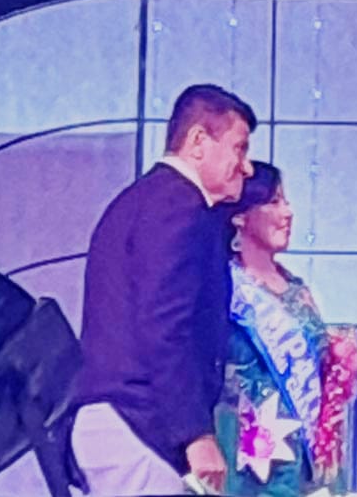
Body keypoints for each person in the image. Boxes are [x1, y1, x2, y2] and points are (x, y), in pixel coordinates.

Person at [73, 84, 256, 496]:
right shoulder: (177, 206)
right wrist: (195, 433)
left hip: (122, 422)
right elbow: (164, 327)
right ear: (198, 141)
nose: (246, 167)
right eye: (239, 148)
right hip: (138, 423)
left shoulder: (147, 200)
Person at [216, 162, 357, 495]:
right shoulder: (226, 288)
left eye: (286, 201)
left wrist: (340, 362)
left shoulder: (297, 288)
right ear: (241, 216)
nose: (288, 212)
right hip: (249, 460)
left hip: (305, 461)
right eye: (274, 202)